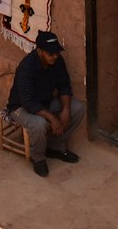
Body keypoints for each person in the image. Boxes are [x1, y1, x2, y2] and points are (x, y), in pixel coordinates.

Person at [6, 29, 85, 177]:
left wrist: (66, 109)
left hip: (45, 102)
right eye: (51, 53)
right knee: (39, 123)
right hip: (21, 107)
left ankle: (55, 147)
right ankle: (39, 158)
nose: (55, 56)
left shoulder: (58, 61)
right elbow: (28, 102)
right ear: (40, 51)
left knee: (77, 108)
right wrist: (53, 118)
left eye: (57, 52)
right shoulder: (26, 67)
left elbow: (64, 86)